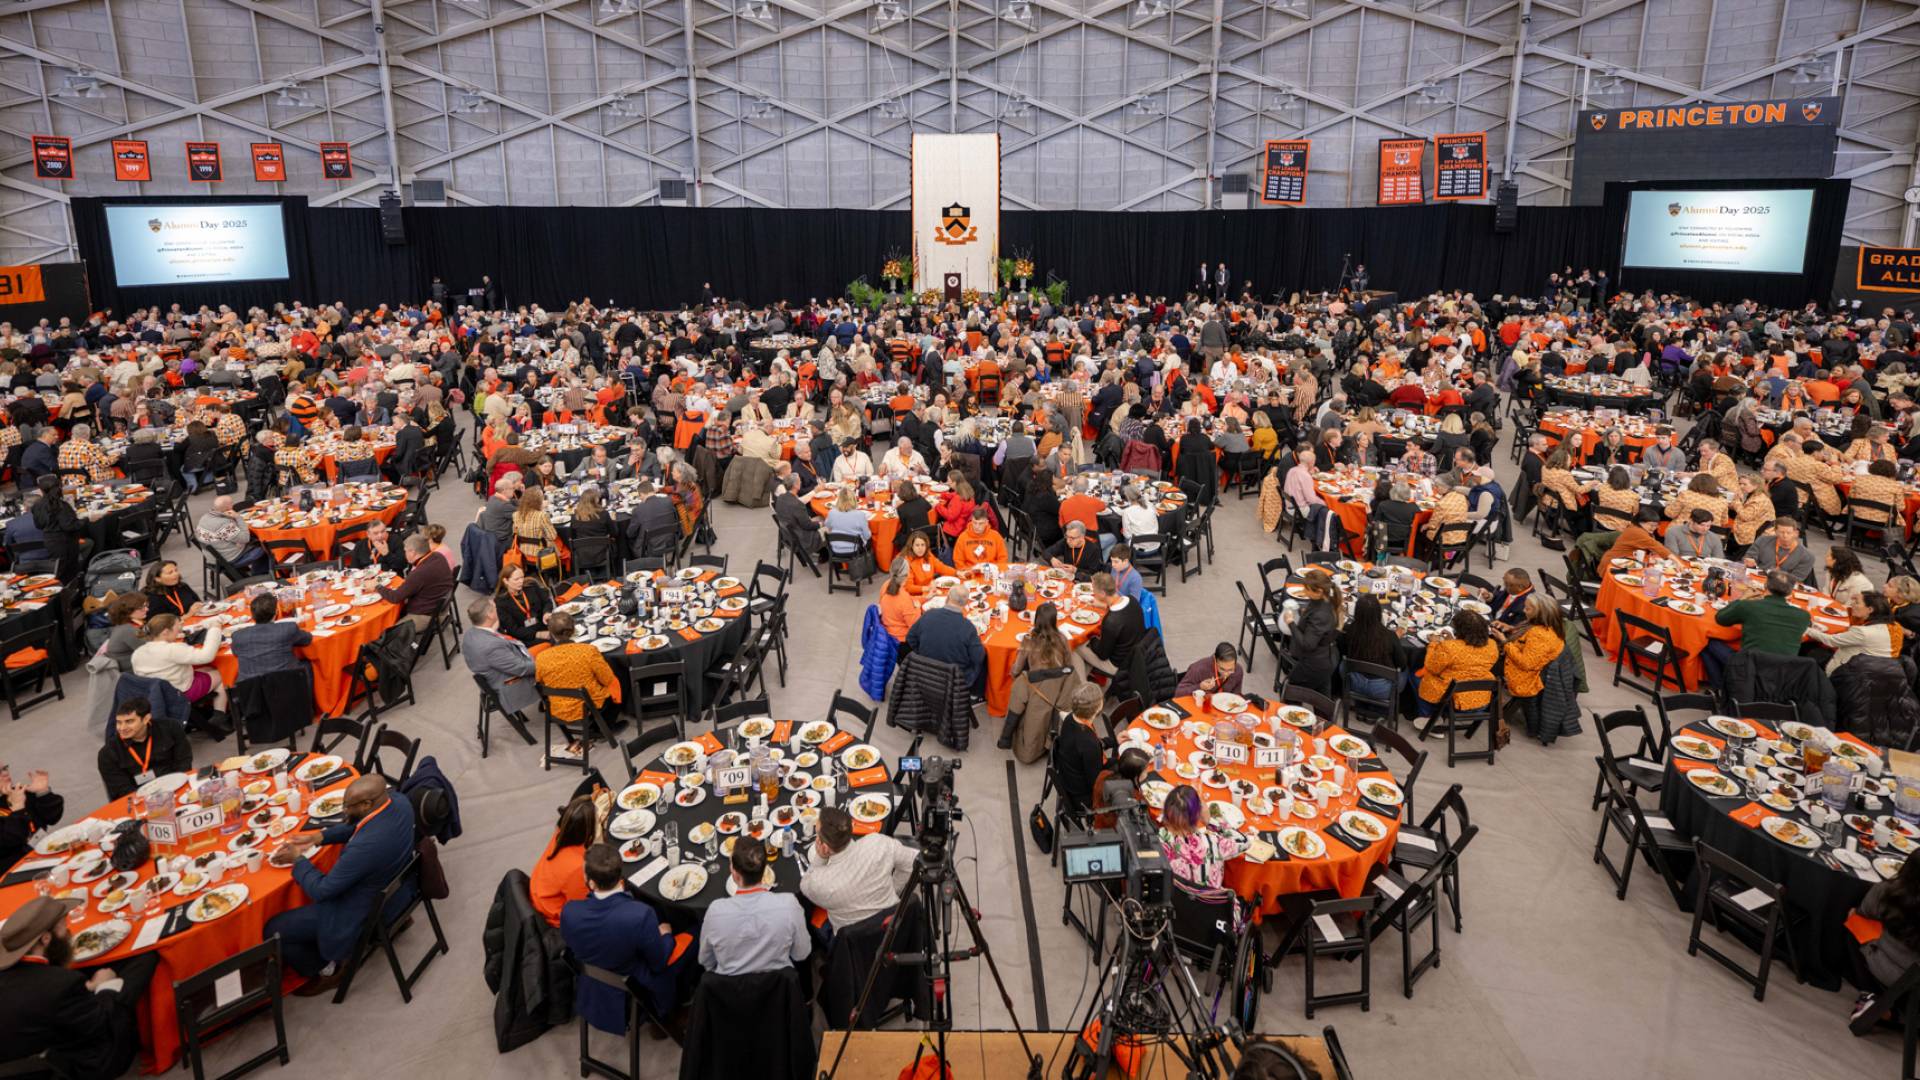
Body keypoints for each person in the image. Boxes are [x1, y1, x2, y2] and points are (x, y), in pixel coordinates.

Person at [265, 775, 418, 992]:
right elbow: (361, 827)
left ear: (366, 804)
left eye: (348, 806)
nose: (344, 811)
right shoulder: (399, 801)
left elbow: (322, 890)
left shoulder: (365, 848)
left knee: (274, 929)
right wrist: (319, 837)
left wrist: (298, 860)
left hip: (364, 910)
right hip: (400, 890)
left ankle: (326, 968)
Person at [0, 894, 161, 1080]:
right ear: (45, 939)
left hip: (21, 1060)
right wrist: (105, 986)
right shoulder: (62, 984)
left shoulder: (43, 980)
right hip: (80, 1064)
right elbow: (100, 1024)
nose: (68, 931)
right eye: (62, 926)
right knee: (145, 959)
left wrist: (86, 987)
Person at [561, 842, 694, 1037]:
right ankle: (672, 1010)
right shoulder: (638, 916)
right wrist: (665, 934)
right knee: (697, 931)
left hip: (593, 983)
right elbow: (658, 963)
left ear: (591, 882)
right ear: (620, 875)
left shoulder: (570, 912)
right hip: (636, 988)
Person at [698, 840, 811, 976]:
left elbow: (706, 962)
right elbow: (801, 954)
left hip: (732, 993)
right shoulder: (789, 905)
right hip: (778, 989)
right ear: (765, 870)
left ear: (733, 873)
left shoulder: (715, 913)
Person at [800, 805, 917, 931]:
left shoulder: (821, 883)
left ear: (826, 847)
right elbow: (912, 862)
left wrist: (821, 857)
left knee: (808, 919)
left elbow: (805, 885)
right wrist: (895, 891)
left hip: (850, 944)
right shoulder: (878, 844)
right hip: (891, 927)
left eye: (818, 836)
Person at [1703, 570, 1812, 690]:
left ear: (1765, 585)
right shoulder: (1803, 616)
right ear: (1790, 592)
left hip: (1748, 666)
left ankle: (1720, 689)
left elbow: (1720, 618)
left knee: (1708, 643)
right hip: (1782, 671)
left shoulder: (1749, 606)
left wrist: (1743, 598)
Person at [1001, 602, 1086, 756]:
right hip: (1061, 692)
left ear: (1036, 621)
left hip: (1038, 691)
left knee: (1019, 688)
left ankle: (1007, 735)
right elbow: (1068, 667)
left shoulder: (1029, 641)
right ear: (1054, 620)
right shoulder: (1063, 639)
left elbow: (1016, 670)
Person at [534, 610, 620, 761]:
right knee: (617, 680)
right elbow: (607, 679)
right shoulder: (588, 651)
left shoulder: (541, 657)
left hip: (558, 707)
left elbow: (540, 681)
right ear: (573, 630)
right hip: (588, 705)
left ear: (551, 632)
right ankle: (606, 726)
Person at [1495, 594, 1567, 745]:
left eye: (1528, 608)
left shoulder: (1540, 635)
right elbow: (1524, 638)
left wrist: (1504, 642)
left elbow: (1526, 663)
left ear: (1540, 612)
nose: (1524, 610)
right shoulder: (1544, 625)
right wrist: (1510, 629)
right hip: (1528, 668)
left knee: (1485, 661)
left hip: (1524, 675)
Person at [130, 613, 228, 718]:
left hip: (156, 697)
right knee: (222, 673)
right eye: (177, 628)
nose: (180, 630)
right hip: (179, 695)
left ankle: (212, 712)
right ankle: (220, 715)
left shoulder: (137, 653)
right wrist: (215, 629)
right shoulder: (172, 649)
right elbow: (207, 656)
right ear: (166, 632)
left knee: (209, 669)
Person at [1851, 855, 1920, 999]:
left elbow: (1864, 911)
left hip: (1887, 970)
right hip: (1914, 984)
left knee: (1852, 917)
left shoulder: (1889, 891)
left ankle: (1868, 991)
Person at [1156, 783, 1250, 889]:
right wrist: (1209, 821)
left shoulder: (1156, 840)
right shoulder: (1212, 843)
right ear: (1198, 814)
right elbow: (1244, 842)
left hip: (1174, 901)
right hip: (1210, 902)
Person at [463, 596, 539, 718]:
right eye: (495, 608)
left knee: (545, 647)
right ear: (490, 615)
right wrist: (547, 663)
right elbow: (522, 669)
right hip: (513, 683)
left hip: (505, 668)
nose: (497, 609)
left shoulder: (471, 634)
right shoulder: (491, 647)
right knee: (560, 663)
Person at [530, 795, 599, 926]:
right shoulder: (577, 868)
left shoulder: (560, 835)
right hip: (557, 920)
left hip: (542, 899)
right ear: (587, 831)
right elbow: (586, 908)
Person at [902, 583, 986, 688]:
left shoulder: (928, 614)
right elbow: (978, 657)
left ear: (947, 598)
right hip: (955, 678)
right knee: (984, 661)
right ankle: (976, 694)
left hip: (927, 672)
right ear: (966, 604)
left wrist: (922, 654)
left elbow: (910, 637)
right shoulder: (967, 627)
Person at [1417, 610, 1498, 717]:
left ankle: (1429, 718)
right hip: (1481, 699)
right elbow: (1467, 656)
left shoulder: (1449, 648)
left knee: (1416, 676)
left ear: (1459, 630)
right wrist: (1452, 641)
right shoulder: (1492, 646)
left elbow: (1431, 667)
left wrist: (1433, 643)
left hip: (1453, 700)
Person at [376, 533, 455, 632]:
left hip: (426, 615)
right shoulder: (438, 556)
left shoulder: (419, 573)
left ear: (412, 552)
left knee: (387, 634)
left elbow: (395, 597)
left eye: (405, 551)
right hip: (441, 607)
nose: (405, 554)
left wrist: (377, 587)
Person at [1079, 572, 1147, 685]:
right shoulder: (1132, 600)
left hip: (1117, 665)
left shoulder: (1111, 621)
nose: (1093, 593)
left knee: (1076, 645)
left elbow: (1102, 654)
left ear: (1102, 593)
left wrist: (1091, 639)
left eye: (1094, 591)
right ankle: (1088, 676)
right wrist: (1103, 605)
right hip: (1135, 655)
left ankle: (1082, 685)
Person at [1051, 685, 1111, 811]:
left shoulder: (1070, 718)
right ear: (1098, 707)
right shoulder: (1089, 744)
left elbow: (1081, 747)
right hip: (1082, 796)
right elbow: (1095, 783)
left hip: (1069, 777)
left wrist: (1110, 742)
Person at [229, 591, 313, 681]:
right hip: (287, 685)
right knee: (308, 664)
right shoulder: (288, 629)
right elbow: (307, 639)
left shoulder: (238, 637)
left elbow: (235, 652)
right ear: (276, 613)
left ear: (253, 616)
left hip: (252, 691)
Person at [1339, 595, 1408, 699]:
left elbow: (1343, 652)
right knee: (1407, 669)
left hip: (1353, 682)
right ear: (1379, 613)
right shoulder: (1389, 636)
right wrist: (1395, 639)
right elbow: (1402, 665)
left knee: (1343, 662)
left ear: (1357, 612)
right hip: (1383, 689)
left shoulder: (1348, 630)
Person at [1809, 591, 1899, 670]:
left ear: (1870, 609)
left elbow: (1831, 641)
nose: (1852, 605)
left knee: (1810, 651)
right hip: (1877, 670)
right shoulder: (1895, 627)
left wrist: (1807, 630)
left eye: (1856, 603)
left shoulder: (1862, 632)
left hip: (1844, 671)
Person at [1286, 569, 1341, 695]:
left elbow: (1308, 644)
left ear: (1319, 591)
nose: (1304, 591)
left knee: (1290, 692)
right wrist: (1304, 614)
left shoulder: (1321, 615)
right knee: (1322, 698)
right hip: (1325, 660)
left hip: (1315, 663)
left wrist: (1291, 623)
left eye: (1307, 589)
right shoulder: (1327, 600)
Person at [0, 762, 63, 872]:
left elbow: (52, 818)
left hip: (44, 855)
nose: (5, 773)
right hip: (12, 873)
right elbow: (9, 842)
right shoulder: (17, 798)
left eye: (5, 768)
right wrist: (18, 809)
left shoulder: (17, 792)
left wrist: (43, 793)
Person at [30, 475, 90, 579]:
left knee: (59, 570)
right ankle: (73, 591)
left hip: (50, 542)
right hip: (66, 542)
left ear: (41, 490)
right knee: (69, 571)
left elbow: (39, 525)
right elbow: (69, 526)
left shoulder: (37, 506)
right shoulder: (61, 505)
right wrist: (87, 520)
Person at [197, 494, 268, 573]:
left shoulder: (204, 517)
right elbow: (245, 538)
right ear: (228, 508)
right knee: (265, 547)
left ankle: (251, 571)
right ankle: (259, 576)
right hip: (227, 558)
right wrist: (238, 518)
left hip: (212, 556)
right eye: (232, 503)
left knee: (252, 541)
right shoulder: (223, 524)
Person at [493, 562, 553, 646]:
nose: (521, 582)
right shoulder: (500, 602)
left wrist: (547, 612)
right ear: (505, 581)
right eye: (516, 579)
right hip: (525, 636)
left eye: (522, 577)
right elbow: (513, 629)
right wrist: (538, 634)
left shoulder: (531, 585)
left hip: (543, 624)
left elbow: (546, 601)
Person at [1745, 517, 1816, 584]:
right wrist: (1750, 560)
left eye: (1789, 533)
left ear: (1796, 533)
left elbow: (1797, 579)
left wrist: (1778, 575)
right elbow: (1750, 556)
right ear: (1775, 531)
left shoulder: (1807, 556)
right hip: (1756, 580)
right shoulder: (1762, 540)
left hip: (1783, 587)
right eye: (1782, 532)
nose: (1785, 535)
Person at [99, 591, 147, 673]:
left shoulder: (122, 625)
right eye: (141, 607)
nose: (146, 609)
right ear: (128, 611)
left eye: (146, 606)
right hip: (132, 673)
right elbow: (149, 651)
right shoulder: (128, 630)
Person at [340, 517, 410, 574]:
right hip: (367, 578)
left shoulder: (395, 540)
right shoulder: (360, 545)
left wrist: (387, 554)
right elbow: (354, 569)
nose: (380, 535)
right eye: (376, 533)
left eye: (383, 531)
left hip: (390, 576)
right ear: (368, 534)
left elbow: (402, 565)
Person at [948, 506, 1007, 571]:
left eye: (980, 523)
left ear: (987, 523)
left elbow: (1003, 557)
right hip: (970, 573)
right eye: (974, 523)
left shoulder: (996, 536)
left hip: (990, 572)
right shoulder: (963, 537)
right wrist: (967, 572)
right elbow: (958, 560)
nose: (977, 526)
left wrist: (996, 570)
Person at [1175, 642, 1243, 697]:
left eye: (1230, 670)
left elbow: (1236, 696)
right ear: (1215, 660)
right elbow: (1178, 693)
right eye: (1222, 669)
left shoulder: (1238, 671)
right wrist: (1199, 686)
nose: (1226, 674)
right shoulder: (1198, 669)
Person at [877, 558, 921, 642]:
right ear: (907, 574)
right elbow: (914, 627)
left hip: (886, 634)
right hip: (902, 640)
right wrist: (917, 609)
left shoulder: (885, 585)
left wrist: (924, 598)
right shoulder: (904, 598)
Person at [823, 486, 872, 557]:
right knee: (871, 540)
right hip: (855, 550)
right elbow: (867, 536)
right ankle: (867, 563)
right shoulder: (860, 515)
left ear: (839, 499)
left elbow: (827, 525)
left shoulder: (831, 512)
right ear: (853, 499)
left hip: (835, 549)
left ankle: (838, 566)